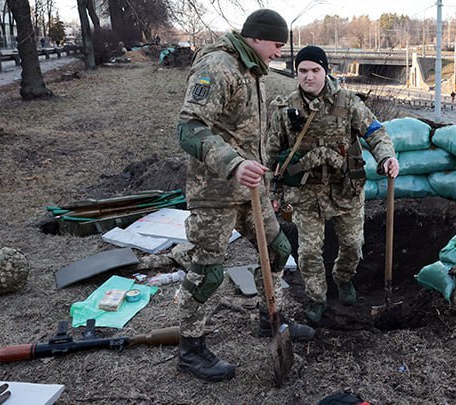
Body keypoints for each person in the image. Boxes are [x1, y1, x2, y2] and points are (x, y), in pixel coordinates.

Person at [174, 9, 314, 383]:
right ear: (257, 38)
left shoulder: (251, 70)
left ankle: (269, 320)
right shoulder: (218, 67)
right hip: (215, 189)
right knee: (208, 271)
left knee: (279, 248)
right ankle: (191, 349)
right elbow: (188, 128)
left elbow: (249, 136)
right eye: (277, 45)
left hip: (250, 188)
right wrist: (233, 164)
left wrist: (262, 183)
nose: (278, 53)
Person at [266, 46, 399, 324]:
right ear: (296, 73)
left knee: (352, 244)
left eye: (315, 70)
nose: (309, 77)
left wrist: (386, 157)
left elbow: (375, 132)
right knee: (309, 252)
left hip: (345, 191)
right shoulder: (284, 108)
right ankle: (316, 297)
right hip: (306, 195)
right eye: (303, 71)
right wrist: (271, 190)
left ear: (325, 71)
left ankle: (343, 278)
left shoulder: (348, 102)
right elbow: (270, 153)